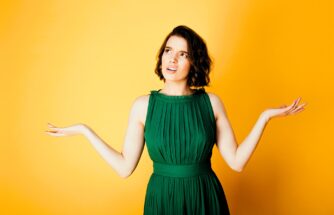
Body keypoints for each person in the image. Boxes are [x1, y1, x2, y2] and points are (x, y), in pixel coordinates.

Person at [45, 25, 306, 214]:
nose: (172, 58)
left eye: (183, 54)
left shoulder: (211, 103)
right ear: (161, 57)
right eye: (169, 50)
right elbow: (125, 168)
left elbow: (236, 162)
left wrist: (265, 118)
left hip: (204, 199)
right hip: (162, 200)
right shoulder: (142, 106)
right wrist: (84, 130)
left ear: (194, 63)